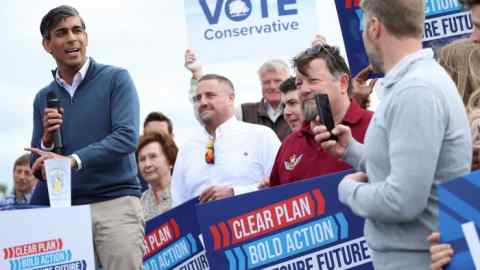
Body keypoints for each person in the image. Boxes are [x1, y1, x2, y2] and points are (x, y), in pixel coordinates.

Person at [313, 0, 472, 269]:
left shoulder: (415, 91)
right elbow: (407, 171)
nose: (363, 33)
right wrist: (351, 149)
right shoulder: (413, 84)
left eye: (364, 24)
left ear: (374, 27)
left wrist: (348, 190)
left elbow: (402, 201)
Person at [29, 6, 144, 270]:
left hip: (116, 206)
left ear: (86, 38)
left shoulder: (116, 79)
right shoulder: (42, 97)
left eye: (77, 30)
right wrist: (46, 140)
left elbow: (127, 137)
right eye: (61, 33)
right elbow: (37, 163)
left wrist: (72, 160)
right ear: (47, 45)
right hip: (66, 213)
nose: (71, 38)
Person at [269, 45, 372, 187]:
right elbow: (276, 201)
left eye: (313, 81)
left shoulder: (377, 126)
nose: (304, 90)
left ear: (343, 83)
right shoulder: (290, 144)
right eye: (299, 83)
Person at [171, 74, 280, 206]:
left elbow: (280, 186)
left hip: (252, 222)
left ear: (231, 98)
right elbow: (178, 203)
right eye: (198, 98)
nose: (203, 102)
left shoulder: (261, 136)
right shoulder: (187, 149)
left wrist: (235, 193)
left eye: (210, 95)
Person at [185, 50, 291, 141]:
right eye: (266, 82)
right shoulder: (243, 112)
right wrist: (196, 73)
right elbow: (209, 115)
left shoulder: (298, 109)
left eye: (278, 81)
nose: (272, 86)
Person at [137, 132, 177, 220]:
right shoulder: (139, 204)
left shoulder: (185, 192)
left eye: (153, 156)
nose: (147, 164)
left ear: (170, 160)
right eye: (142, 159)